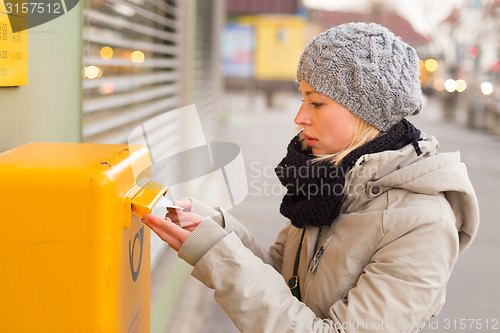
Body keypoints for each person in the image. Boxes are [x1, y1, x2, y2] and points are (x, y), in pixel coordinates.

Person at [141, 22, 479, 332]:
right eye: (303, 98)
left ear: (367, 112)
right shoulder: (329, 182)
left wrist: (216, 254)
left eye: (316, 103)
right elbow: (283, 279)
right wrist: (216, 229)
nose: (300, 117)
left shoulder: (423, 225)